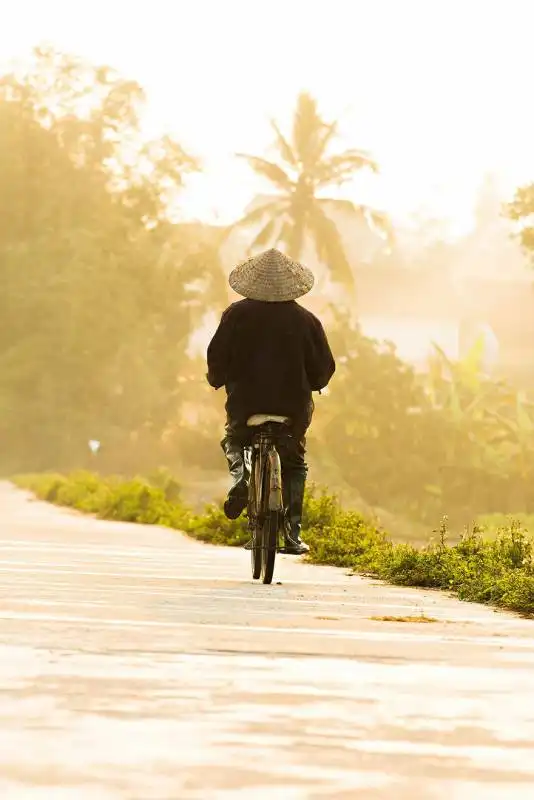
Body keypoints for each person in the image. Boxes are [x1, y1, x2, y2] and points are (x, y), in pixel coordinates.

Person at [206, 248, 335, 555]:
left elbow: (217, 358)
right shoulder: (307, 321)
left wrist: (216, 379)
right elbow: (323, 369)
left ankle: (241, 477)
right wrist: (314, 383)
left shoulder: (235, 315)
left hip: (245, 403)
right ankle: (292, 533)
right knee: (295, 462)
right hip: (292, 407)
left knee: (234, 440)